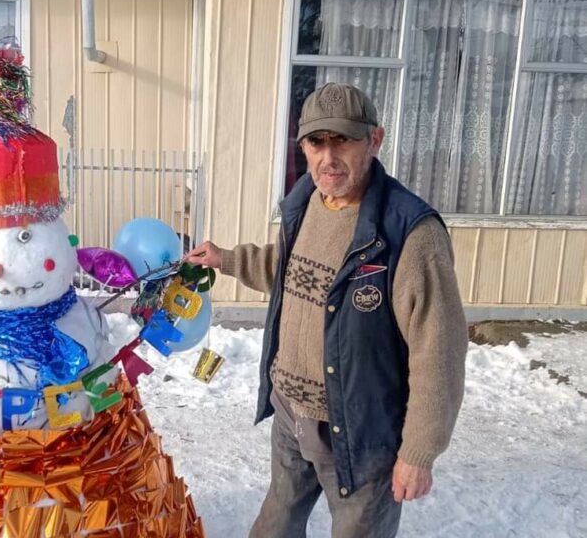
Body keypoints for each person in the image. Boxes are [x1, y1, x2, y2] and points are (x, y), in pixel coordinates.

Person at [186, 83, 468, 538]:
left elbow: (440, 354)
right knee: (273, 529)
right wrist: (228, 258)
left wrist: (419, 452)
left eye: (344, 140)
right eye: (317, 142)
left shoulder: (411, 235)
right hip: (291, 414)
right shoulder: (309, 201)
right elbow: (287, 267)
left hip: (360, 432)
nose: (328, 157)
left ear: (374, 141)